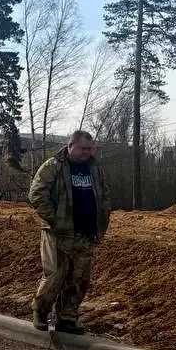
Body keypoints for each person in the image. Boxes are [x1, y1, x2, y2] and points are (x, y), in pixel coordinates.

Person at [28, 129, 112, 335]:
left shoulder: (95, 169)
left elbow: (104, 195)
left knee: (79, 278)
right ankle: (40, 311)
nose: (87, 153)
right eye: (83, 148)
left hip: (86, 233)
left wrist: (102, 220)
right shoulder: (53, 166)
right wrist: (56, 220)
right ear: (71, 146)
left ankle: (67, 318)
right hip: (59, 232)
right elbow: (36, 194)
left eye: (90, 149)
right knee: (56, 274)